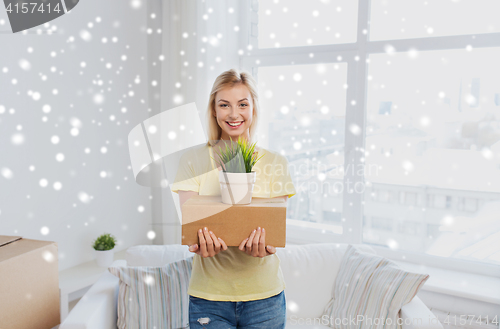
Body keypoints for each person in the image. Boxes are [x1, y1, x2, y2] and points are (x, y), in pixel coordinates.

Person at [170, 68, 296, 329]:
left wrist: (266, 246)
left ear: (253, 109)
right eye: (224, 105)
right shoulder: (192, 160)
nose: (234, 114)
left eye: (242, 104)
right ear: (214, 110)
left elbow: (275, 234)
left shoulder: (275, 162)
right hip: (209, 298)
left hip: (265, 298)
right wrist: (202, 244)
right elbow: (192, 228)